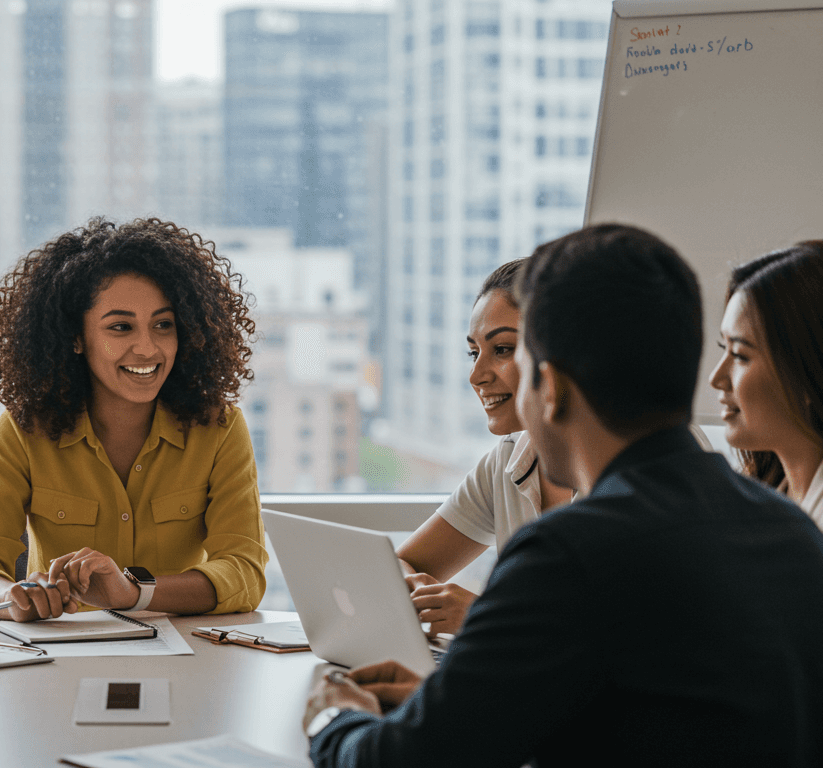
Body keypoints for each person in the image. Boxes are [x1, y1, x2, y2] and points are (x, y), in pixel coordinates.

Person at [303, 224, 823, 767]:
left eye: (516, 362)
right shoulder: (791, 532)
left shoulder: (569, 553)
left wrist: (331, 715)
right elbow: (666, 720)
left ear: (550, 388)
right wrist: (464, 704)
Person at [0, 217, 267, 621]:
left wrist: (133, 593)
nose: (147, 348)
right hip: (61, 656)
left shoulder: (219, 428)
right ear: (76, 337)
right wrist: (17, 597)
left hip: (189, 656)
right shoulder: (24, 430)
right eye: (120, 327)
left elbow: (244, 572)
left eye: (163, 325)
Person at [395, 259, 574, 637]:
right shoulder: (509, 459)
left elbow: (626, 643)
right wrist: (420, 597)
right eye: (474, 352)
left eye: (503, 349)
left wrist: (483, 617)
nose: (477, 376)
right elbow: (401, 565)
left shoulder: (632, 468)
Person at [708, 241, 823, 527]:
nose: (716, 378)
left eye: (740, 355)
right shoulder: (761, 494)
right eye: (724, 348)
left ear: (808, 369)